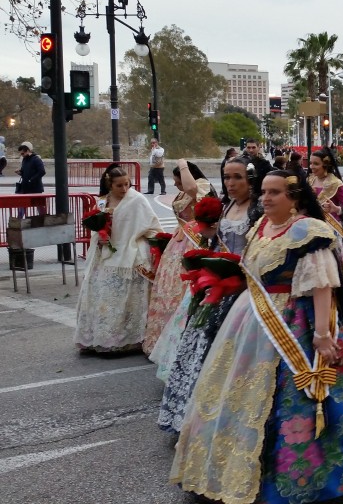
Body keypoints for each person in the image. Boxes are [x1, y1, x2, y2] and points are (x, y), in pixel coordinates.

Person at [170, 171, 343, 502]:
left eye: (275, 193)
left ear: (295, 197)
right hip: (252, 318)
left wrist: (322, 335)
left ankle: (312, 476)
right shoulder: (260, 227)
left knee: (300, 400)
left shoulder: (308, 231)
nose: (266, 199)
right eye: (264, 193)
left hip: (296, 321)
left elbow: (322, 284)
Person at [157, 157, 266, 432]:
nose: (230, 183)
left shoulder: (259, 210)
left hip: (244, 292)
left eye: (237, 177)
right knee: (199, 346)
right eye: (227, 177)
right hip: (217, 288)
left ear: (250, 180)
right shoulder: (227, 206)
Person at [75, 166, 162, 353]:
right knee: (101, 296)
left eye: (127, 184)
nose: (124, 189)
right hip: (103, 255)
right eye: (119, 185)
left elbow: (153, 227)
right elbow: (96, 230)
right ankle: (95, 338)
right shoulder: (102, 202)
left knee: (123, 299)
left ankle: (126, 339)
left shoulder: (137, 200)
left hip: (129, 254)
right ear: (109, 185)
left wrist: (143, 244)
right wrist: (101, 236)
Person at [143, 160, 213, 355]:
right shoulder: (184, 191)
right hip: (178, 239)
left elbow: (191, 187)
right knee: (167, 287)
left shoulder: (200, 187)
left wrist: (183, 164)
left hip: (193, 239)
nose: (176, 185)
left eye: (178, 181)